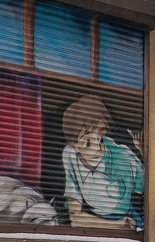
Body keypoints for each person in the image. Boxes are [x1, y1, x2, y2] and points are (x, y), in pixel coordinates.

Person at [60, 95, 144, 229]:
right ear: (75, 145)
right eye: (87, 142)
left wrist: (144, 154)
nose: (98, 148)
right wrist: (117, 226)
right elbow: (75, 217)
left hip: (129, 220)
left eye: (100, 139)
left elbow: (145, 187)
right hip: (109, 224)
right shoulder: (70, 156)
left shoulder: (122, 156)